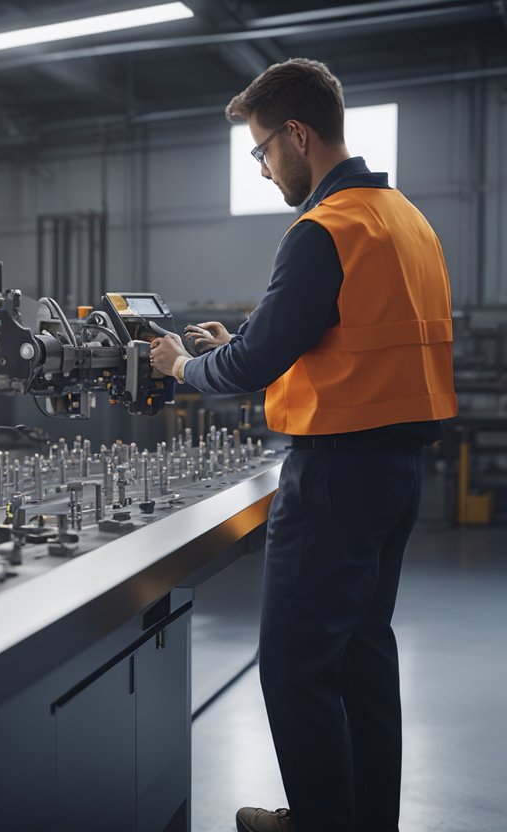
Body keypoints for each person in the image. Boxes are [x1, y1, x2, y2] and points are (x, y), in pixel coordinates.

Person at [149, 58, 457, 832]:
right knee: (361, 658)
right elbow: (333, 335)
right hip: (397, 471)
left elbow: (255, 363)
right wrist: (243, 337)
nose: (262, 169)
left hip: (333, 477)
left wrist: (183, 364)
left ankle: (318, 823)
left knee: (293, 671)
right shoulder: (405, 221)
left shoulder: (323, 227)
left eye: (261, 151)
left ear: (296, 134)